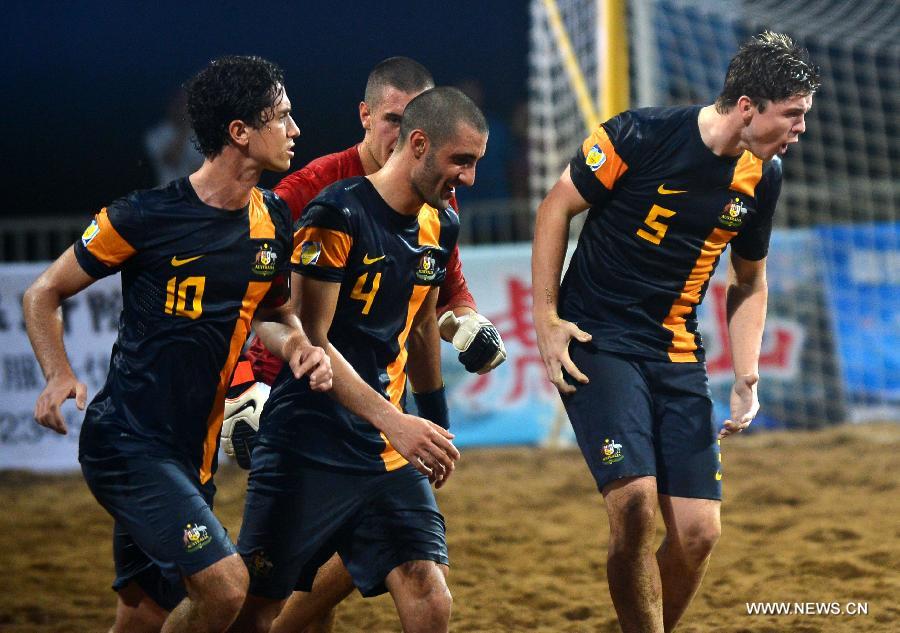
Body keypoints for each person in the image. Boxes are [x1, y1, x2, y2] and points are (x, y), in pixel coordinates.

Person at [22, 55, 332, 633]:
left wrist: (295, 346)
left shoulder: (271, 222)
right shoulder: (141, 217)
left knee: (144, 615)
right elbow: (42, 293)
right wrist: (58, 373)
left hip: (196, 457)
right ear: (240, 132)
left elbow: (273, 313)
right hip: (127, 445)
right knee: (225, 586)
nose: (296, 131)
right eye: (283, 118)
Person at [531, 32, 819, 633]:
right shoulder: (637, 134)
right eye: (791, 116)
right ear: (748, 106)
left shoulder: (762, 179)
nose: (799, 130)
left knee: (698, 534)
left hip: (675, 351)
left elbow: (750, 281)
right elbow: (555, 207)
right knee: (634, 505)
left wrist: (746, 374)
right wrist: (547, 321)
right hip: (598, 341)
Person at [221, 57, 506, 633]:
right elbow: (298, 330)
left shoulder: (440, 221)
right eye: (462, 162)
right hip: (306, 435)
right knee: (253, 604)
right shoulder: (326, 203)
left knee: (429, 596)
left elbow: (424, 323)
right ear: (414, 140)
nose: (470, 179)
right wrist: (242, 387)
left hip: (381, 444)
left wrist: (433, 422)